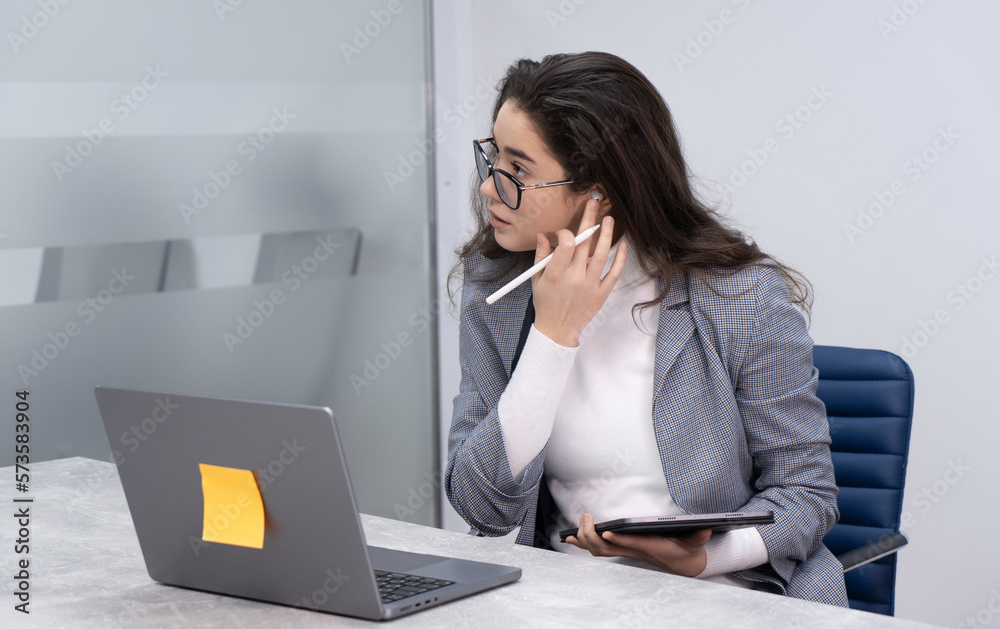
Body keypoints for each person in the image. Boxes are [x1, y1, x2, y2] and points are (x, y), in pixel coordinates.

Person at [445, 51, 847, 606]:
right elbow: (481, 507)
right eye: (493, 159)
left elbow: (808, 494)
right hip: (568, 598)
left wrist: (705, 558)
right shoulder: (497, 290)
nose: (490, 188)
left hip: (730, 595)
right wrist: (552, 338)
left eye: (517, 170)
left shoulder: (739, 295)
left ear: (599, 193)